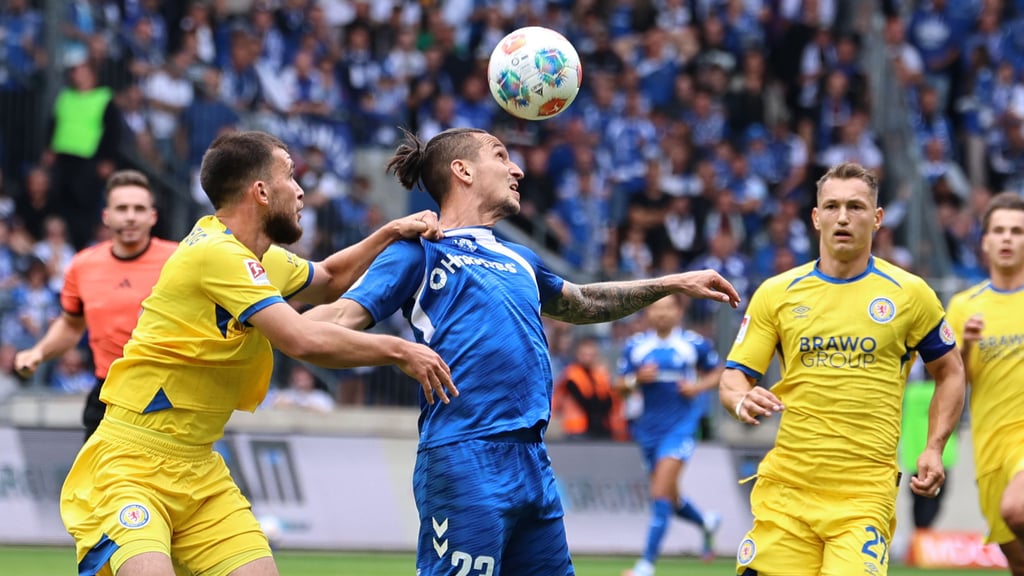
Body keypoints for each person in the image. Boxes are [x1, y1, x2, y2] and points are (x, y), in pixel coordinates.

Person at [305, 127, 741, 576]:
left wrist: (671, 282)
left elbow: (586, 302)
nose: (517, 169)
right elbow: (322, 328)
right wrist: (394, 349)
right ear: (463, 170)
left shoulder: (522, 259)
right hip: (463, 456)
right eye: (501, 156)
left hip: (532, 461)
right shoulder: (420, 252)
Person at [58, 130, 457, 576]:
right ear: (262, 191)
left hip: (199, 469)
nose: (302, 190)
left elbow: (329, 277)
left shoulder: (258, 260)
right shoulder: (216, 254)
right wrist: (400, 350)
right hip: (129, 465)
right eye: (291, 175)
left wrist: (388, 232)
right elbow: (301, 339)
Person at [718, 162, 965, 576]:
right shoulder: (777, 294)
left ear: (878, 217)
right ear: (816, 218)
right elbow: (733, 377)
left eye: (856, 206)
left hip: (863, 496)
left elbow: (951, 371)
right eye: (831, 206)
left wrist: (934, 447)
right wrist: (740, 398)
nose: (844, 217)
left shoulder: (910, 294)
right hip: (788, 491)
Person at [14, 170, 178, 441]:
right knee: (94, 483)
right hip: (107, 395)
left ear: (153, 216)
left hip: (166, 395)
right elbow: (71, 324)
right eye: (122, 208)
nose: (130, 216)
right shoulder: (83, 265)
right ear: (106, 216)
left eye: (139, 209)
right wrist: (38, 352)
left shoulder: (179, 261)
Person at [945, 191, 1024, 573]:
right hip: (989, 444)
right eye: (1000, 231)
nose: (1008, 238)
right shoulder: (963, 306)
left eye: (1017, 231)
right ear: (986, 241)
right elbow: (952, 380)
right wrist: (968, 346)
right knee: (1016, 556)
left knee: (1018, 509)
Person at [617, 294, 723, 576]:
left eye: (667, 308)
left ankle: (647, 564)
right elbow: (620, 387)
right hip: (648, 429)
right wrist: (635, 380)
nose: (662, 314)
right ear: (648, 313)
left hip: (682, 427)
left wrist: (697, 387)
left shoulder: (693, 344)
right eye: (656, 309)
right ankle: (706, 521)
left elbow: (717, 373)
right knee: (671, 498)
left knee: (660, 493)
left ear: (678, 312)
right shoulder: (636, 347)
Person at [552, 335, 622, 441]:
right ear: (578, 354)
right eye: (585, 354)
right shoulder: (571, 375)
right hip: (577, 429)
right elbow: (586, 401)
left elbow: (609, 401)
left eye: (591, 355)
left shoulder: (600, 375)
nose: (588, 358)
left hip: (601, 428)